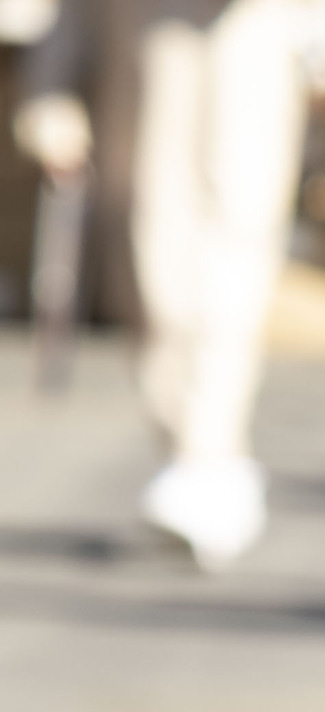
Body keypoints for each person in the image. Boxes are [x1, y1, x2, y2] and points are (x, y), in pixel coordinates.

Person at [11, 0, 303, 568]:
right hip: (143, 63)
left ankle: (210, 453)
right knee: (154, 272)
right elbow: (69, 17)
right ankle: (188, 450)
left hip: (245, 49)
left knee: (233, 257)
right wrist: (50, 97)